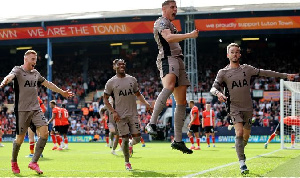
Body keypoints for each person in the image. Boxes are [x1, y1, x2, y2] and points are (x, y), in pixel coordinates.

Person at [210, 43, 296, 175]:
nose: (235, 54)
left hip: (248, 108)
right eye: (232, 52)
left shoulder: (247, 69)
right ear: (228, 55)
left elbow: (265, 73)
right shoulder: (223, 72)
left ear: (240, 54)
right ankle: (242, 163)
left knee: (245, 137)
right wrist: (218, 93)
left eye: (237, 52)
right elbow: (213, 88)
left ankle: (240, 148)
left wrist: (285, 75)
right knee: (238, 133)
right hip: (234, 107)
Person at [0, 50, 73, 174]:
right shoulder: (18, 70)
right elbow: (10, 76)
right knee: (19, 139)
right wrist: (5, 80)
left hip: (36, 109)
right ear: (26, 59)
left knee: (45, 133)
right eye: (33, 59)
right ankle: (14, 161)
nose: (35, 61)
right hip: (22, 110)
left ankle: (33, 162)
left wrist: (62, 92)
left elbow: (48, 84)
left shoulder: (36, 73)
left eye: (36, 59)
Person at [146, 0, 198, 154]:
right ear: (164, 9)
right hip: (168, 58)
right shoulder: (161, 22)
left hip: (178, 60)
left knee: (181, 102)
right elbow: (168, 39)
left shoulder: (171, 23)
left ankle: (177, 141)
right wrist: (190, 35)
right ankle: (152, 123)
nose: (175, 9)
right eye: (172, 7)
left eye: (176, 7)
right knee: (169, 86)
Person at [103, 59, 152, 171]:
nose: (121, 65)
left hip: (133, 114)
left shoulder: (132, 79)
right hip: (120, 116)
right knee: (124, 138)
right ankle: (127, 162)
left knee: (138, 139)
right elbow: (105, 99)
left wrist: (146, 104)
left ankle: (131, 143)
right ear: (114, 66)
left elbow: (138, 94)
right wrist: (113, 112)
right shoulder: (111, 82)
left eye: (123, 64)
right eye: (119, 64)